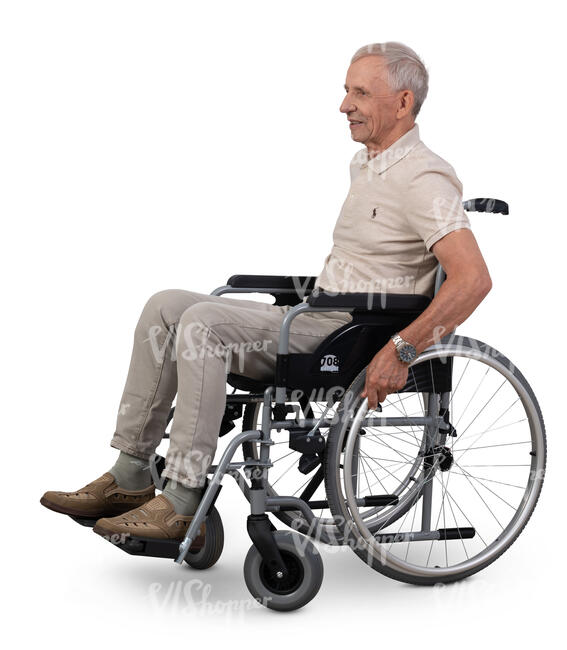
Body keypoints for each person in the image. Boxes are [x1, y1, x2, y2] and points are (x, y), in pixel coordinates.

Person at [40, 42, 492, 546]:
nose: (344, 105)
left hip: (349, 336)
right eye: (346, 91)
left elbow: (473, 280)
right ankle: (129, 475)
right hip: (319, 315)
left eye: (361, 93)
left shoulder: (424, 177)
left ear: (403, 103)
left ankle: (184, 495)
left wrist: (402, 350)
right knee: (164, 305)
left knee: (202, 323)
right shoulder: (367, 164)